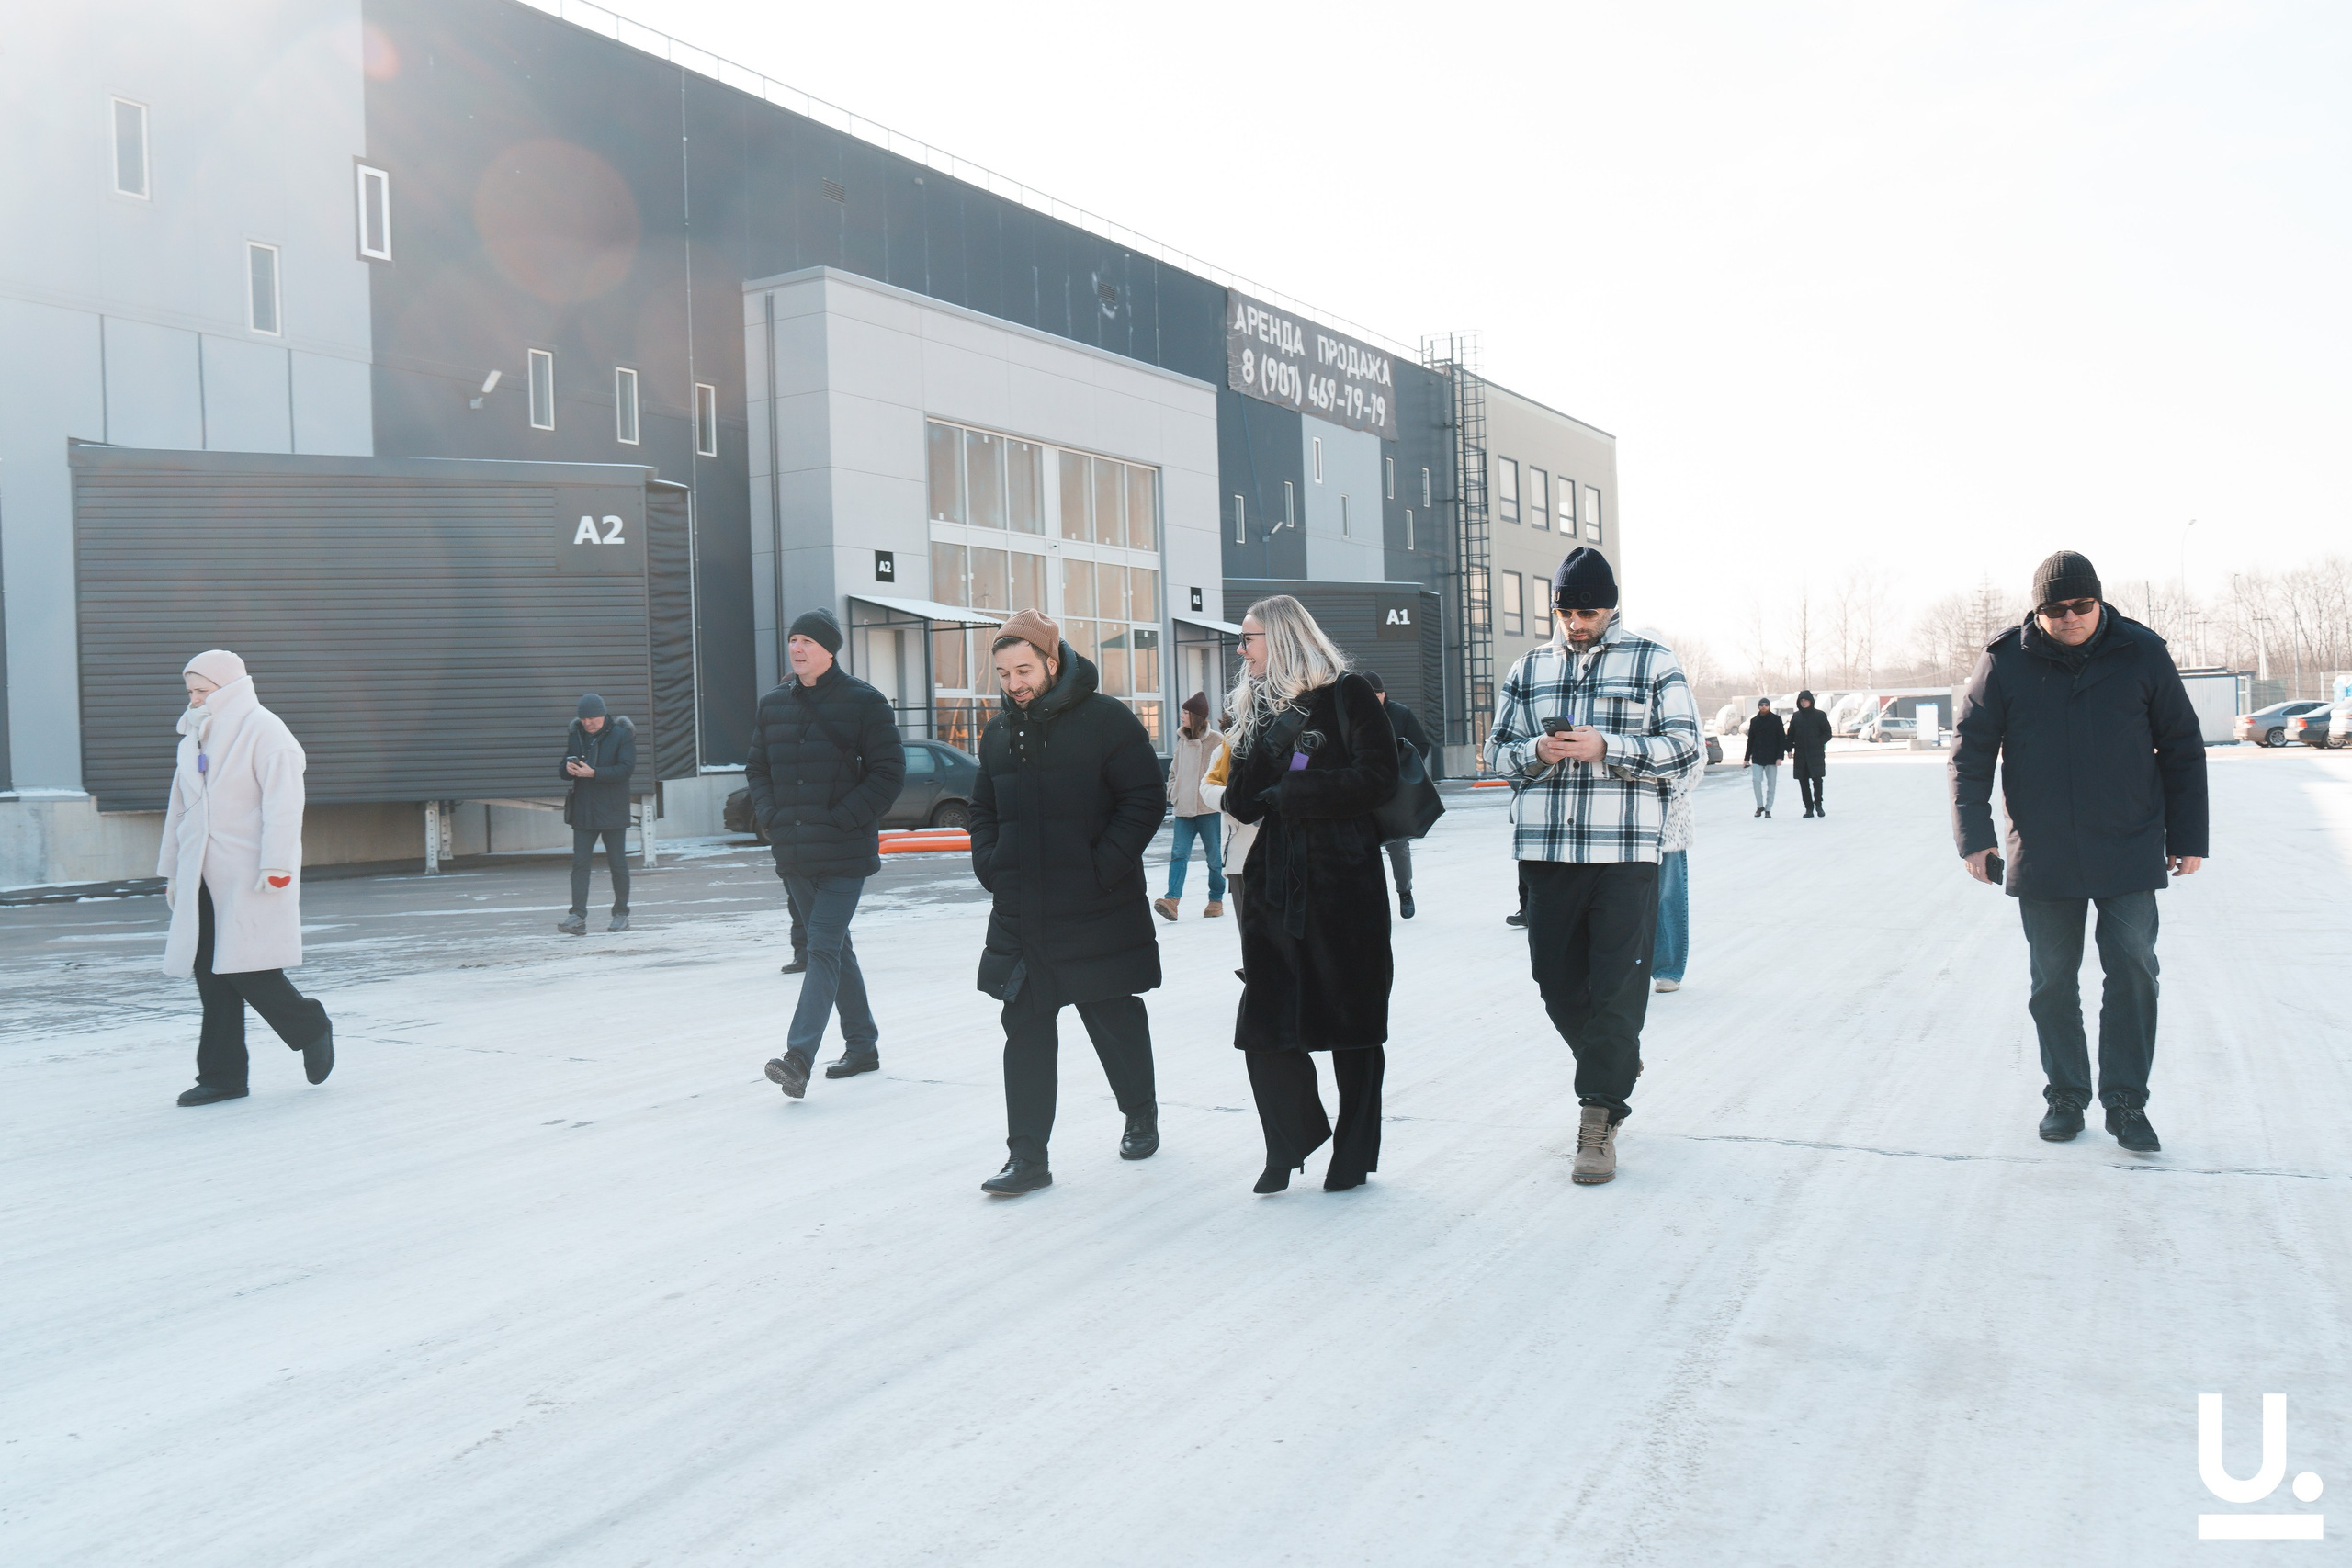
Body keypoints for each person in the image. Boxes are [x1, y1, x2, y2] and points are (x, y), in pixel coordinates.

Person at [1950, 550, 2209, 1153]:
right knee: (2052, 982)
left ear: (2099, 600)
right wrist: (1975, 836)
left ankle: (2125, 1102)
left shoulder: (2142, 652)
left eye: (2081, 605)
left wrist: (2189, 837)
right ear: (2037, 610)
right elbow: (1970, 754)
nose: (2069, 617)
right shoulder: (2004, 661)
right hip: (2044, 852)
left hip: (2129, 844)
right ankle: (2066, 1095)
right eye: (2055, 608)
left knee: (2134, 969)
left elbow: (2181, 746)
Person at [1484, 548, 1702, 1185]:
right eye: (1566, 610)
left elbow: (1688, 750)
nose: (1575, 622)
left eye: (1588, 610)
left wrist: (1610, 747)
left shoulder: (1653, 661)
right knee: (1554, 981)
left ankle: (1597, 1118)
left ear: (1611, 607)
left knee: (1617, 986)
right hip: (1546, 852)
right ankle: (1613, 1060)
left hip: (1625, 853)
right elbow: (1496, 752)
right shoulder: (1529, 668)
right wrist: (1537, 750)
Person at [968, 610, 1166, 1196]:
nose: (1014, 684)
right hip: (1022, 911)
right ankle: (1027, 1157)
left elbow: (1143, 800)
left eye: (1023, 670)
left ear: (1053, 663)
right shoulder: (999, 732)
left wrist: (1101, 866)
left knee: (1111, 1015)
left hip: (1094, 906)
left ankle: (1140, 1112)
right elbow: (982, 809)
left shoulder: (1106, 721)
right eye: (1003, 674)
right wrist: (991, 862)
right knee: (1024, 1026)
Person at [1220, 596, 1399, 1195]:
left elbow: (1381, 778)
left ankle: (1354, 1151)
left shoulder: (1348, 695)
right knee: (1264, 1025)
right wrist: (1268, 743)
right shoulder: (1256, 708)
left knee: (1353, 1024)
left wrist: (1299, 791)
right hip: (1275, 884)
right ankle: (1290, 1139)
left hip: (1345, 880)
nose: (1240, 649)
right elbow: (1242, 802)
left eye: (1247, 638)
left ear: (1281, 636)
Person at [158, 650, 334, 1106]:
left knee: (249, 968)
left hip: (248, 873)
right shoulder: (194, 737)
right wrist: (173, 870)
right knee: (211, 975)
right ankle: (223, 1076)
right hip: (200, 872)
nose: (194, 699)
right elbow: (179, 810)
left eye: (203, 690)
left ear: (229, 686)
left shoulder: (265, 730)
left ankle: (309, 1025)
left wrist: (277, 865)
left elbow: (283, 803)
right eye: (190, 691)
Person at [747, 608, 907, 1098]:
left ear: (830, 649)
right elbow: (757, 769)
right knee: (835, 947)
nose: (797, 649)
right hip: (794, 852)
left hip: (843, 852)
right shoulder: (773, 704)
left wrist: (842, 819)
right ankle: (862, 1045)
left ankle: (798, 1057)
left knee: (819, 945)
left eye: (807, 641)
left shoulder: (865, 702)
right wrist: (771, 818)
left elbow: (888, 774)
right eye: (792, 639)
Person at [557, 694, 636, 934]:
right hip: (584, 811)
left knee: (618, 864)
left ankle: (621, 914)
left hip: (612, 810)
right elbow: (562, 769)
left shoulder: (622, 735)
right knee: (579, 864)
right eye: (583, 718)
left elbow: (626, 770)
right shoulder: (576, 735)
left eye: (592, 718)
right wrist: (567, 768)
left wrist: (594, 774)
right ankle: (577, 916)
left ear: (603, 715)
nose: (587, 723)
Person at [1361, 671, 1433, 919]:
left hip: (1394, 791)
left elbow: (1421, 745)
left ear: (1384, 694)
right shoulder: (1353, 717)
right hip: (1362, 791)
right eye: (1368, 695)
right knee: (1362, 848)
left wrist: (1405, 769)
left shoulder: (1400, 713)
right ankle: (1370, 899)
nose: (1374, 699)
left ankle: (1405, 892)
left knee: (1398, 845)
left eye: (1377, 694)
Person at [1155, 691, 1227, 921]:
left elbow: (1224, 773)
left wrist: (1217, 797)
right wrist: (1173, 793)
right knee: (1178, 854)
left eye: (1185, 712)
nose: (1181, 716)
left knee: (1215, 858)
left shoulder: (1217, 740)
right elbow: (1173, 771)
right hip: (1184, 808)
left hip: (1209, 809)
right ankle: (1172, 900)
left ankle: (1216, 900)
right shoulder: (1182, 741)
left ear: (1196, 716)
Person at [1652, 756, 1697, 992]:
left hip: (1666, 818)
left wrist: (1671, 795)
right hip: (1615, 816)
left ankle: (1667, 968)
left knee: (1666, 895)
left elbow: (1694, 756)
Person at [1787, 690, 1832, 818]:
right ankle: (1808, 808)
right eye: (1801, 700)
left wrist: (1818, 742)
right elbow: (1790, 735)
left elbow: (1827, 733)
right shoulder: (1796, 717)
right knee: (1803, 782)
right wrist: (1789, 748)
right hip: (1800, 754)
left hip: (1815, 753)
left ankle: (1818, 805)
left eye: (1806, 700)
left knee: (1817, 780)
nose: (1804, 702)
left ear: (1811, 701)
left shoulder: (1819, 715)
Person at [1743, 697, 1786, 818]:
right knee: (1756, 781)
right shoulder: (1754, 721)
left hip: (1772, 757)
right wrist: (1746, 758)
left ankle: (1768, 809)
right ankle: (1759, 806)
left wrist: (1780, 757)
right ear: (1758, 706)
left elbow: (1781, 739)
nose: (1763, 707)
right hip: (1757, 756)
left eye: (1766, 705)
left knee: (1771, 784)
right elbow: (1750, 740)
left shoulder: (1776, 720)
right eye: (1761, 705)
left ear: (1769, 706)